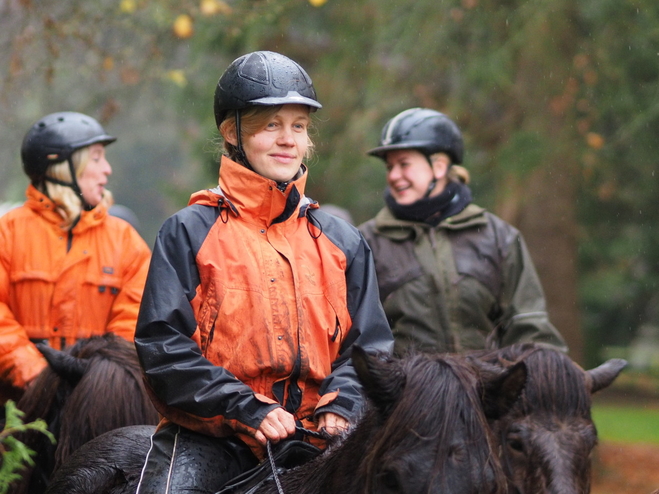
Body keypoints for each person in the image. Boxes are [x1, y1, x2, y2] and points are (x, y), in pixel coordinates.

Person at [134, 51, 393, 494]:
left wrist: (343, 402)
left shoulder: (343, 240)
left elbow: (369, 348)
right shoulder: (188, 230)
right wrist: (245, 408)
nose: (287, 139)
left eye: (298, 126)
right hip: (213, 436)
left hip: (320, 436)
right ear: (233, 132)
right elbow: (162, 347)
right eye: (271, 124)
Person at [358, 107, 567, 356]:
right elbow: (358, 342)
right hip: (405, 394)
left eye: (404, 164)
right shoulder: (364, 243)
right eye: (389, 166)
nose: (394, 176)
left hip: (486, 391)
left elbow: (530, 329)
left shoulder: (499, 238)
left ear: (439, 167)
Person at [0, 111, 151, 403]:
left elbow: (132, 323)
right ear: (60, 167)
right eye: (95, 158)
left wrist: (92, 381)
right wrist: (37, 376)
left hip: (97, 405)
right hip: (15, 411)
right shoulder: (7, 233)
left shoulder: (125, 240)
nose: (107, 169)